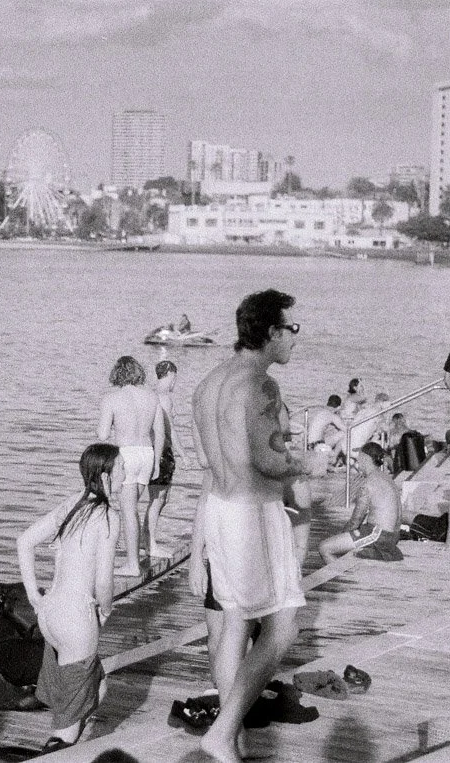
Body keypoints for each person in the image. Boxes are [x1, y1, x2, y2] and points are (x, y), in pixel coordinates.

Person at [189, 289, 307, 763]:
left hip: (220, 508)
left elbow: (211, 464)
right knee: (284, 628)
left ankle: (231, 741)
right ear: (271, 332)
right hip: (254, 512)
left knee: (235, 625)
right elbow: (267, 459)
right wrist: (312, 463)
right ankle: (222, 733)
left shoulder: (207, 385)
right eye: (291, 329)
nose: (295, 338)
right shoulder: (261, 385)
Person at [17, 443, 121, 751]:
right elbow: (103, 580)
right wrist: (106, 610)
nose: (126, 475)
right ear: (106, 475)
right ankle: (60, 749)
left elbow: (24, 542)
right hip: (76, 619)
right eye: (122, 469)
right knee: (66, 728)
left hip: (50, 614)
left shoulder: (71, 504)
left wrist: (34, 594)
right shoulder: (108, 516)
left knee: (98, 684)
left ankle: (74, 739)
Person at [97, 355, 164, 577]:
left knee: (128, 512)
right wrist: (156, 462)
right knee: (132, 509)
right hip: (147, 454)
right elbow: (159, 433)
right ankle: (134, 558)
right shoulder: (152, 397)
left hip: (125, 455)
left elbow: (103, 435)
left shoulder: (111, 398)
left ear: (116, 374)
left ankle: (132, 565)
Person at [319, 443, 402, 563]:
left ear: (365, 459)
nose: (357, 462)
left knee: (325, 547)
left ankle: (342, 573)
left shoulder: (369, 482)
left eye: (358, 458)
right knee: (341, 541)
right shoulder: (386, 478)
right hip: (392, 535)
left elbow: (357, 518)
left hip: (378, 535)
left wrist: (342, 535)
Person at [147, 360, 184, 558]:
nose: (175, 382)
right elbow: (170, 431)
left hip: (152, 448)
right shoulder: (164, 398)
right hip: (162, 450)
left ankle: (146, 538)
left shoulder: (151, 394)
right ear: (169, 374)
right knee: (158, 498)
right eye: (175, 377)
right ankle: (150, 543)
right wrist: (183, 454)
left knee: (160, 497)